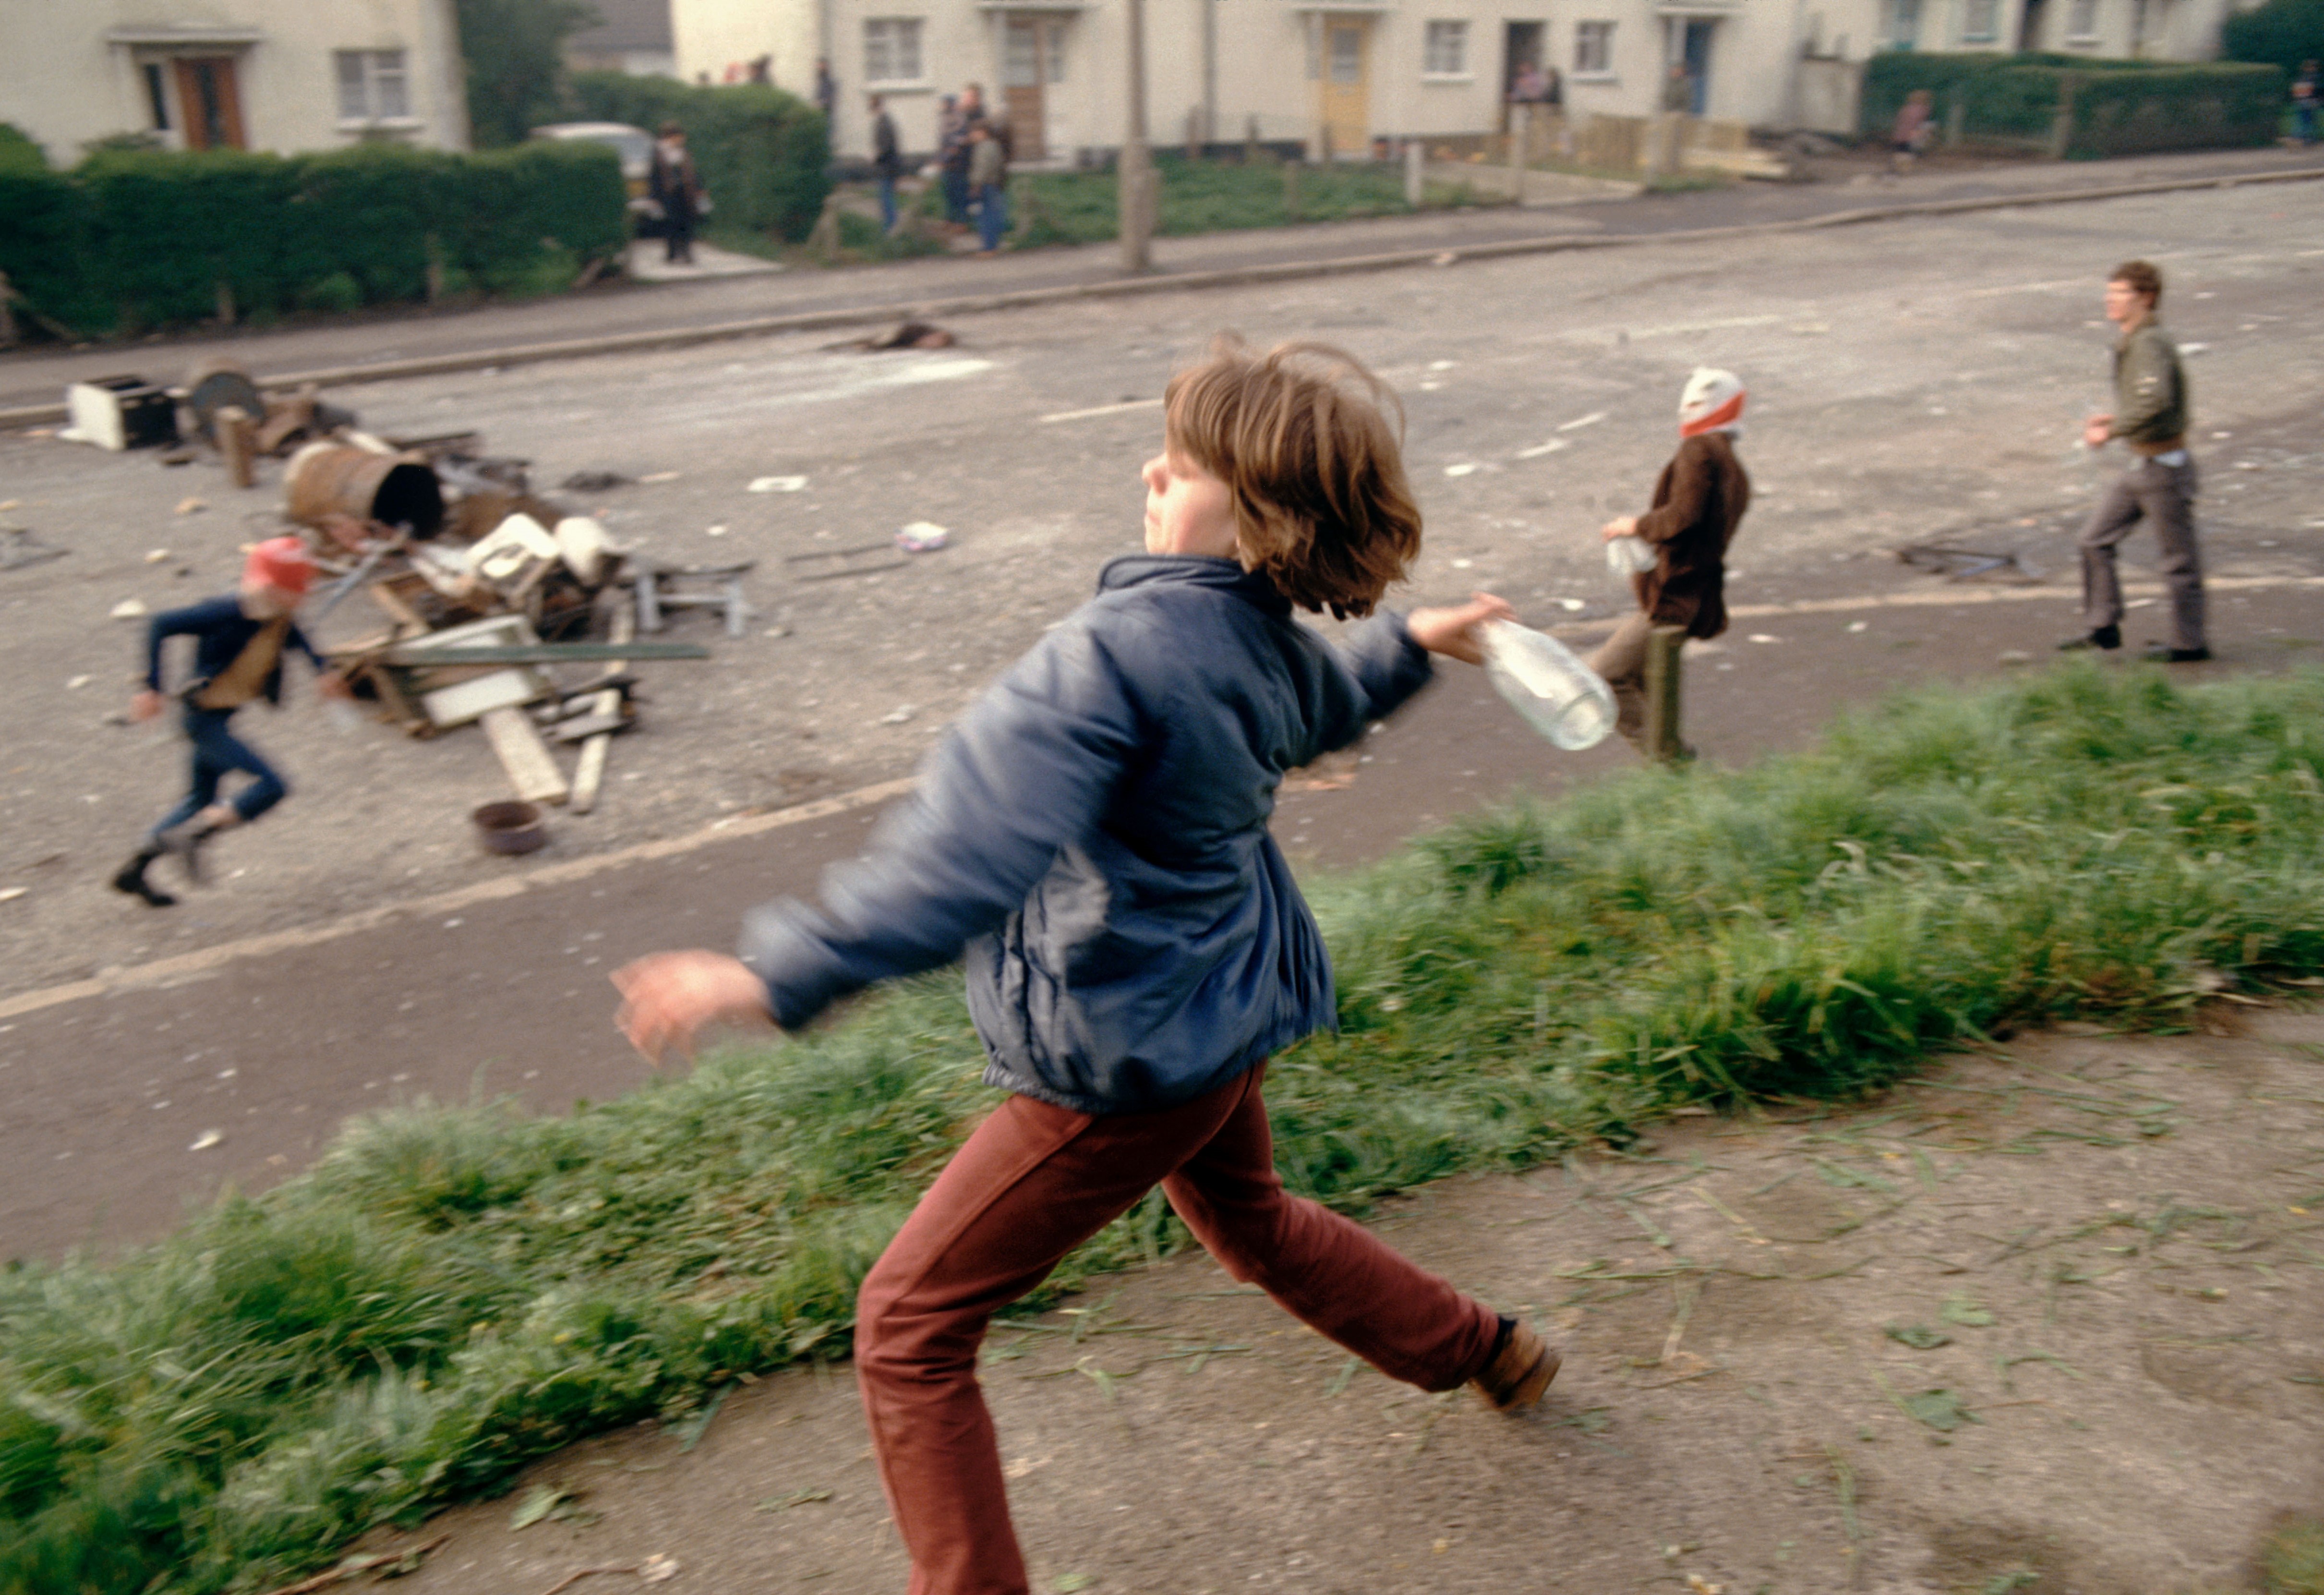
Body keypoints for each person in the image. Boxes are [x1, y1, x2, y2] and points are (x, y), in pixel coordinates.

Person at [610, 338, 1556, 1595]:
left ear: (1264, 514)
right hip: (1223, 1015)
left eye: (1191, 461)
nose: (1155, 468)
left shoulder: (1103, 658)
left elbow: (967, 855)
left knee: (907, 1326)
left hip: (1129, 1055)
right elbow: (1324, 710)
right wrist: (1414, 643)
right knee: (1257, 1224)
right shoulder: (1262, 640)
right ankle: (1484, 1347)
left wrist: (777, 972)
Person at [111, 537, 349, 908]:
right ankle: (195, 837)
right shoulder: (224, 614)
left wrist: (322, 670)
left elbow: (298, 635)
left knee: (199, 799)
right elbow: (160, 624)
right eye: (297, 591)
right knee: (272, 785)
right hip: (203, 722)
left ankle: (134, 871)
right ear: (272, 588)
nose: (304, 598)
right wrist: (151, 688)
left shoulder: (279, 615)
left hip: (221, 716)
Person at [1590, 367, 1751, 758]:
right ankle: (1669, 771)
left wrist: (1635, 525)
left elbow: (1683, 516)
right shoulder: (1730, 462)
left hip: (1675, 592)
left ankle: (1674, 767)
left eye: (1694, 403)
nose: (1685, 412)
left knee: (1605, 678)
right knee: (1645, 682)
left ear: (1719, 404)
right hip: (1697, 591)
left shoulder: (1698, 451)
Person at [2060, 259, 2206, 662]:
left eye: (2118, 293)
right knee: (2093, 540)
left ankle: (2189, 645)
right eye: (2108, 293)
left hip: (2164, 469)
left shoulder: (2148, 342)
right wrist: (2118, 420)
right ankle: (2102, 625)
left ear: (2145, 297)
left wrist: (2109, 431)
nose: (2109, 301)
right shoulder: (2134, 339)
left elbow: (2155, 401)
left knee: (2179, 562)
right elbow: (2148, 402)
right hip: (2142, 465)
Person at [649, 121, 703, 265]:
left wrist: (699, 189)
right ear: (670, 137)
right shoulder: (659, 154)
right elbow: (654, 175)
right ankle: (672, 253)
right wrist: (654, 196)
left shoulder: (684, 152)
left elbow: (693, 173)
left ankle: (686, 252)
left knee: (687, 222)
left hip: (685, 193)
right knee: (671, 223)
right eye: (677, 136)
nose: (681, 139)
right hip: (668, 194)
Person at [967, 120, 1008, 253]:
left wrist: (976, 185)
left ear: (982, 133)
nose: (972, 135)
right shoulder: (994, 145)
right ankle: (993, 246)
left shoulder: (983, 147)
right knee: (993, 215)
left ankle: (989, 248)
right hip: (994, 184)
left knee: (986, 218)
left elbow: (983, 168)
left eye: (974, 132)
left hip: (985, 185)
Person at [936, 95, 972, 228]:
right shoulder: (945, 119)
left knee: (959, 193)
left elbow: (958, 144)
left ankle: (962, 222)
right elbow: (943, 142)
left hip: (958, 164)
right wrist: (940, 159)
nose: (942, 107)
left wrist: (946, 157)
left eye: (944, 104)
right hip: (947, 164)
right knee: (948, 192)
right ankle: (949, 219)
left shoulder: (960, 120)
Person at [870, 93, 903, 234]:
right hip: (891, 165)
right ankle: (891, 224)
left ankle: (890, 227)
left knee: (886, 197)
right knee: (887, 196)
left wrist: (875, 158)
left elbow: (885, 147)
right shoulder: (887, 121)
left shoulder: (883, 123)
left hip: (887, 166)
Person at [1890, 88, 1935, 173]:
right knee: (1910, 151)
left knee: (1901, 150)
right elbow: (1924, 123)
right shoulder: (1925, 110)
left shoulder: (1906, 109)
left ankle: (1899, 167)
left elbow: (1900, 121)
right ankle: (1905, 168)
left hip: (1901, 134)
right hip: (1915, 134)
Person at [2294, 60, 2320, 147]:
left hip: (2302, 102)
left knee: (2305, 120)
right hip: (2308, 102)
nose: (2315, 69)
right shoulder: (2311, 78)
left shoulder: (2301, 78)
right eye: (2313, 67)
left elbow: (2297, 90)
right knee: (2308, 121)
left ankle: (2305, 139)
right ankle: (2306, 139)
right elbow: (2312, 91)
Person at [815, 56, 838, 125]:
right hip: (821, 112)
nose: (820, 68)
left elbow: (829, 98)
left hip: (826, 112)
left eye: (822, 66)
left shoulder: (828, 81)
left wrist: (821, 103)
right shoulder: (821, 80)